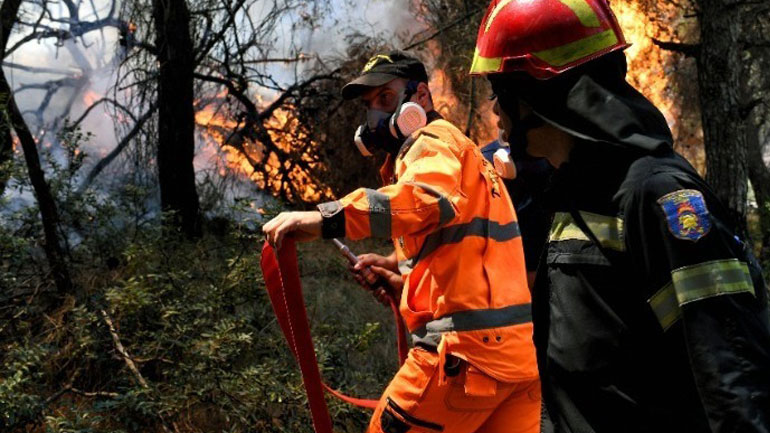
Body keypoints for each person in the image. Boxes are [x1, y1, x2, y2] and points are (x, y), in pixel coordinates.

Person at [469, 1, 770, 432]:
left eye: (499, 92)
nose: (495, 110)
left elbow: (732, 377)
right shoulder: (574, 194)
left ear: (540, 95)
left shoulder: (659, 196)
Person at [263, 50, 541, 433]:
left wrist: (326, 219)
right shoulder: (464, 151)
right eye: (369, 105)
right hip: (517, 361)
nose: (375, 114)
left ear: (421, 96)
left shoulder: (429, 141)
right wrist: (399, 278)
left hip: (463, 359)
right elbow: (466, 254)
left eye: (386, 98)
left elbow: (425, 199)